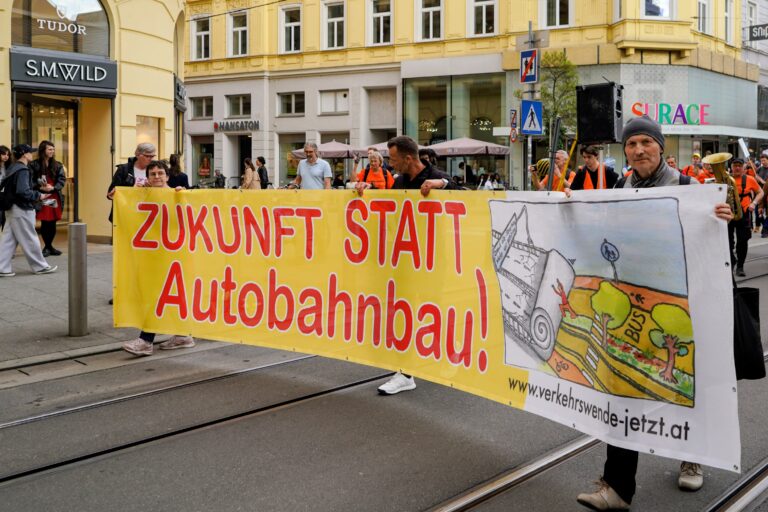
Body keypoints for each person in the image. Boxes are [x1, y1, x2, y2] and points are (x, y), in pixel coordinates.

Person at [576, 116, 733, 511]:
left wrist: (725, 221)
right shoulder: (619, 187)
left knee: (686, 385)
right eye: (632, 144)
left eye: (647, 142)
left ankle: (691, 455)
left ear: (661, 147)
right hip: (637, 305)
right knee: (623, 392)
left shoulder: (688, 188)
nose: (639, 150)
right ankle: (616, 488)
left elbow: (713, 247)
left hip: (683, 304)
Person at [356, 135, 459, 394]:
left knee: (433, 310)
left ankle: (446, 357)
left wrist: (443, 183)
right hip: (407, 259)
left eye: (393, 159)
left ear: (409, 158)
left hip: (433, 259)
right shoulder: (400, 182)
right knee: (407, 313)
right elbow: (388, 210)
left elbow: (463, 191)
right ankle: (406, 372)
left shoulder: (435, 175)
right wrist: (366, 194)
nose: (390, 165)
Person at [121, 160, 196, 356]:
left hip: (172, 255)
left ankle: (146, 340)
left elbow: (189, 218)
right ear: (147, 177)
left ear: (167, 176)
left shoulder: (177, 194)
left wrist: (183, 197)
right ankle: (183, 335)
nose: (156, 177)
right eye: (152, 174)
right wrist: (127, 194)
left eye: (160, 173)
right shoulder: (144, 195)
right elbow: (128, 211)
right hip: (152, 256)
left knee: (156, 295)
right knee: (167, 296)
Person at [0, 144, 57, 277]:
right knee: (30, 238)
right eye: (30, 152)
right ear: (24, 154)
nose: (32, 154)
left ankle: (2, 268)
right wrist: (39, 195)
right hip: (21, 209)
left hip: (11, 209)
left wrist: (36, 186)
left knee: (8, 240)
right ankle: (40, 267)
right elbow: (22, 191)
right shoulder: (22, 170)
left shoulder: (13, 168)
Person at [30, 140, 66, 257]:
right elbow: (30, 181)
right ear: (43, 150)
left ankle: (49, 246)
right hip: (42, 195)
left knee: (52, 222)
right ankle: (47, 246)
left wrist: (53, 188)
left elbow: (61, 180)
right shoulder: (34, 164)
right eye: (49, 149)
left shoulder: (58, 165)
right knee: (46, 221)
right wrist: (40, 187)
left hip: (53, 195)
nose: (52, 151)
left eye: (53, 149)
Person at [729, 157, 762, 277]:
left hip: (744, 213)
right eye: (734, 165)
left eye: (739, 165)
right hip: (729, 214)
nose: (737, 167)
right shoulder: (725, 179)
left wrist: (753, 203)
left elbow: (761, 192)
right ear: (731, 167)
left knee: (742, 241)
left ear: (743, 167)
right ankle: (732, 261)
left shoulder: (750, 179)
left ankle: (740, 266)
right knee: (728, 241)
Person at [107, 143, 157, 221]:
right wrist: (131, 189)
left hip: (148, 213)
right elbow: (110, 193)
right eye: (147, 156)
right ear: (137, 155)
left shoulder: (155, 170)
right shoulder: (124, 169)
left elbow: (164, 188)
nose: (150, 159)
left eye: (152, 156)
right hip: (126, 214)